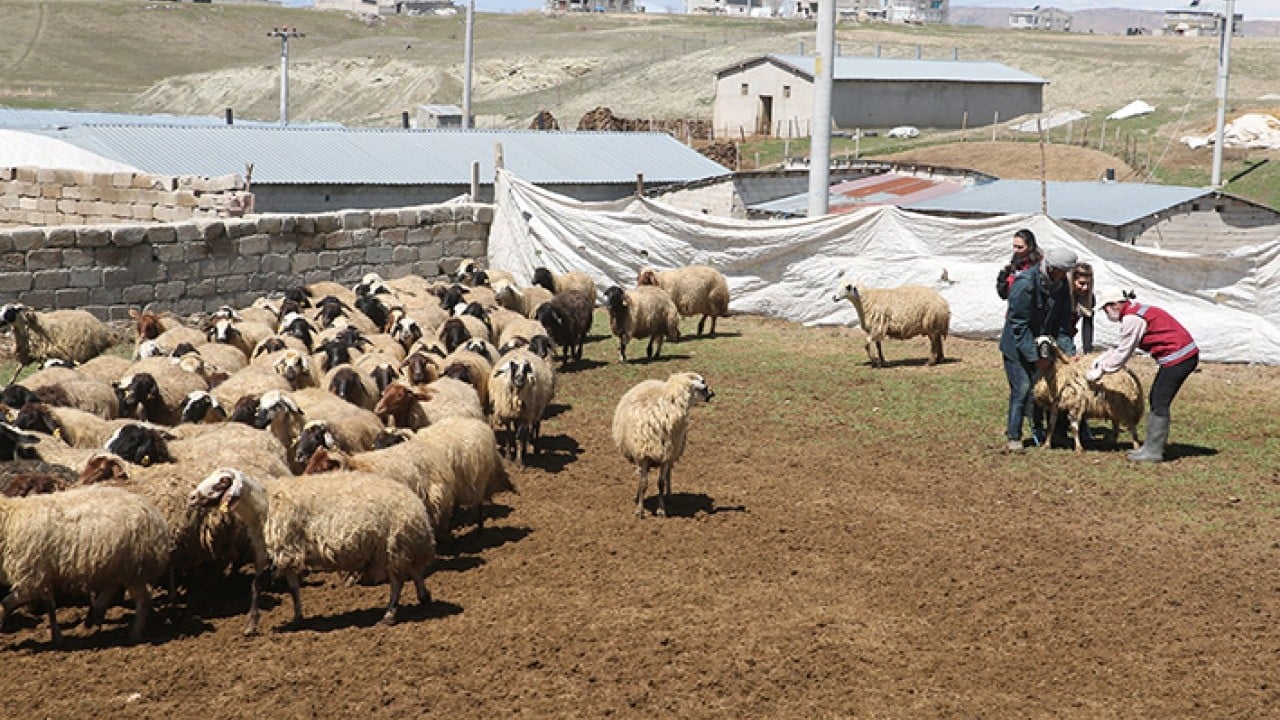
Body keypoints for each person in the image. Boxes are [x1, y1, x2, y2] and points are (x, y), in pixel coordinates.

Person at [1086, 290, 1199, 463]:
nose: (1105, 313)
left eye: (1105, 309)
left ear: (1115, 305)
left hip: (1179, 357)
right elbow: (1121, 345)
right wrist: (1103, 358)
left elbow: (1124, 352)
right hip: (1180, 355)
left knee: (1159, 400)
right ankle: (1151, 446)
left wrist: (1102, 370)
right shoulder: (1136, 311)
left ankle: (1153, 450)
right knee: (1157, 398)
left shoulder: (1132, 319)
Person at [999, 245, 1078, 452]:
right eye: (1061, 272)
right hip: (1017, 345)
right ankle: (1014, 436)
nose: (1064, 276)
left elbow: (1062, 323)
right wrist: (1034, 358)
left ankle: (1058, 433)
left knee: (1058, 387)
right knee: (1023, 389)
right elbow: (1019, 325)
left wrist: (1069, 352)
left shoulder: (1060, 287)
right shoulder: (1025, 283)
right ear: (1052, 268)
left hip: (1043, 343)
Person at [995, 228, 1043, 300]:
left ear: (1030, 247)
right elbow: (1005, 293)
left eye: (1020, 247)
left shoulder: (1038, 265)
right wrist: (1002, 281)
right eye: (1014, 246)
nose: (1016, 250)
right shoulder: (1015, 263)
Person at [1070, 262, 1096, 354]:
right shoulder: (1063, 295)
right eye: (1081, 283)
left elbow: (1087, 325)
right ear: (1073, 281)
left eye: (1088, 284)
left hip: (1069, 335)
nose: (1085, 287)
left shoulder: (1090, 298)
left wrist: (1087, 351)